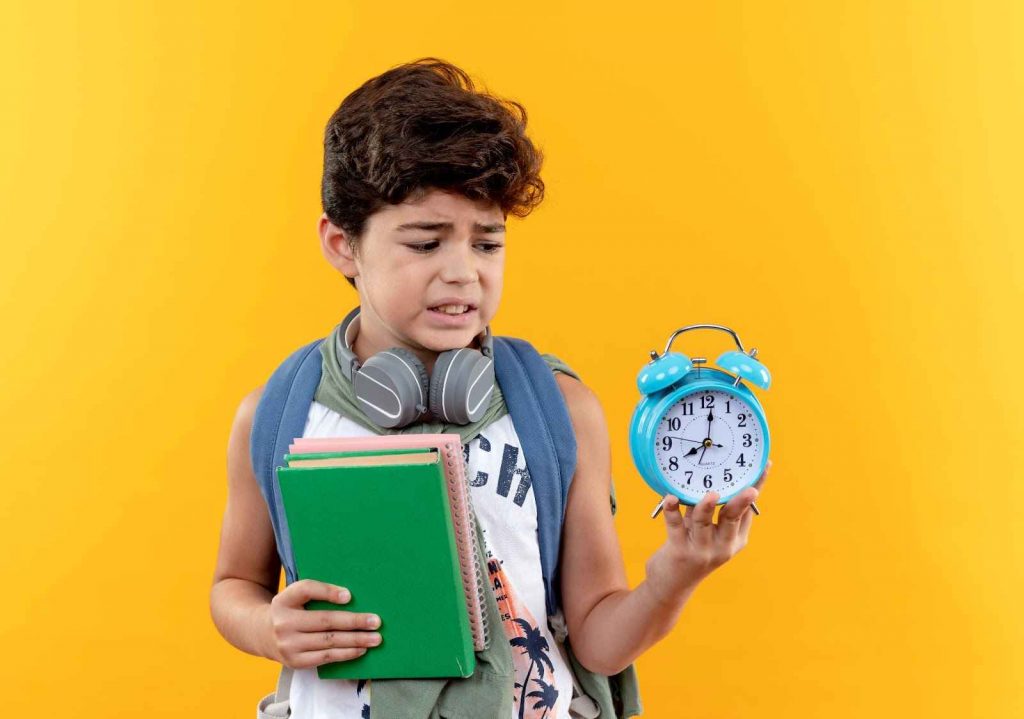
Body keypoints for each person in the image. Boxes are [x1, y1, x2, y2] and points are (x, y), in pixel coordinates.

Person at [209, 57, 770, 719]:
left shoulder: (558, 409)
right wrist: (267, 625)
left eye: (487, 243)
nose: (463, 274)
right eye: (425, 243)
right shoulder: (277, 415)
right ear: (341, 244)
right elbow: (233, 585)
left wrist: (677, 572)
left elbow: (599, 637)